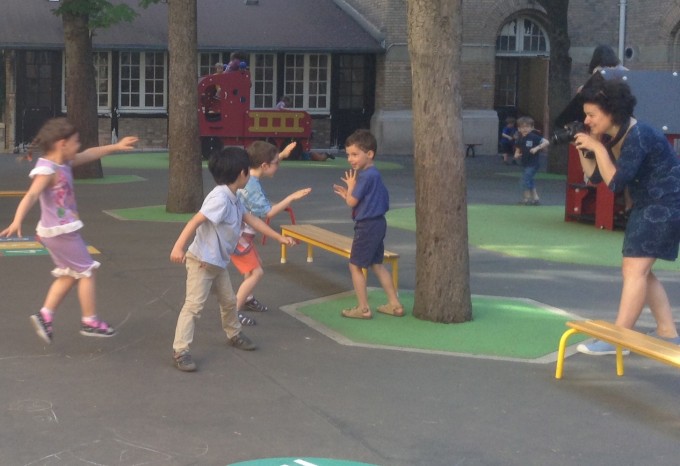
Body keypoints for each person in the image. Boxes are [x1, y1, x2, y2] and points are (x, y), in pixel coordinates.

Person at [0, 118, 138, 344]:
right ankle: (90, 320)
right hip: (61, 232)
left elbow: (90, 154)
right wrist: (17, 220)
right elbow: (32, 195)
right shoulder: (48, 169)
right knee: (87, 271)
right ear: (62, 144)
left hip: (56, 232)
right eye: (76, 142)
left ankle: (45, 315)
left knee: (69, 274)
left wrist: (116, 146)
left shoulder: (64, 162)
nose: (79, 146)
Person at [572, 79, 680, 355]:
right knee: (640, 270)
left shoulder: (639, 134)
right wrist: (586, 148)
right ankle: (667, 331)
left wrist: (597, 148)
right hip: (650, 204)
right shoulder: (615, 135)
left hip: (665, 204)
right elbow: (596, 177)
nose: (587, 120)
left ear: (612, 112)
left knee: (635, 269)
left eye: (592, 115)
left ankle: (618, 339)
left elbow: (616, 183)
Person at [170, 147, 295, 372]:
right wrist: (178, 247)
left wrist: (279, 238)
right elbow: (195, 221)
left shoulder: (234, 196)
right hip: (201, 262)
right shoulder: (220, 198)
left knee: (229, 301)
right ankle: (181, 351)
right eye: (248, 170)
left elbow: (252, 220)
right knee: (194, 306)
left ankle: (234, 334)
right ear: (241, 173)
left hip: (218, 263)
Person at [230, 141, 312, 326]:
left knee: (254, 267)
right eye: (277, 162)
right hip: (239, 236)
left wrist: (282, 154)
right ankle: (233, 313)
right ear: (264, 165)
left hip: (240, 233)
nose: (278, 166)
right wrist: (291, 197)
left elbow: (264, 164)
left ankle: (247, 299)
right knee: (256, 272)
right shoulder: (252, 186)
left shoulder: (248, 173)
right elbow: (269, 213)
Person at [332, 129, 404, 319]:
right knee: (377, 264)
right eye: (348, 155)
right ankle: (395, 304)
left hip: (366, 226)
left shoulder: (365, 176)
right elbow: (369, 200)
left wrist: (350, 188)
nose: (350, 159)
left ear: (369, 154)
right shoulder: (375, 174)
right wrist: (348, 193)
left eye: (355, 154)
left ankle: (363, 308)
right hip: (378, 223)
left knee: (355, 265)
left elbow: (352, 202)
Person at [513, 116, 549, 205]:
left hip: (533, 163)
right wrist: (516, 154)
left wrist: (536, 148)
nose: (525, 129)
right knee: (529, 180)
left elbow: (546, 142)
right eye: (522, 127)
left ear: (532, 128)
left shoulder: (533, 137)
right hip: (525, 163)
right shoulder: (520, 138)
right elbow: (517, 149)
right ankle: (536, 198)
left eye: (527, 127)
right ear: (519, 129)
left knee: (525, 180)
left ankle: (526, 198)